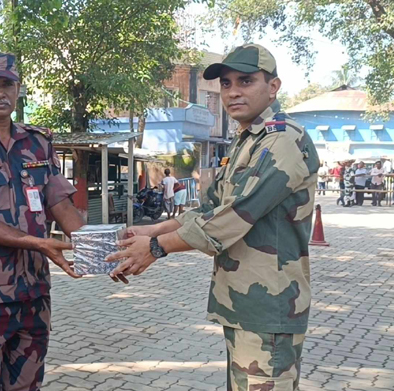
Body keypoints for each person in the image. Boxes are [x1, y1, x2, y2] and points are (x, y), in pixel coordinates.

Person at [106, 44, 319, 391]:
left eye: (246, 81)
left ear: (274, 86)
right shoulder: (246, 141)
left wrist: (156, 247)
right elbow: (209, 207)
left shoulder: (283, 140)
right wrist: (151, 229)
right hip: (243, 302)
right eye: (225, 84)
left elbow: (232, 218)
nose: (233, 92)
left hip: (270, 304)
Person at [0, 52, 112, 391]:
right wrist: (38, 243)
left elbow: (59, 203)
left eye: (8, 84)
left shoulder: (38, 142)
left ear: (19, 90)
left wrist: (107, 252)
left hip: (34, 293)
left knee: (27, 384)